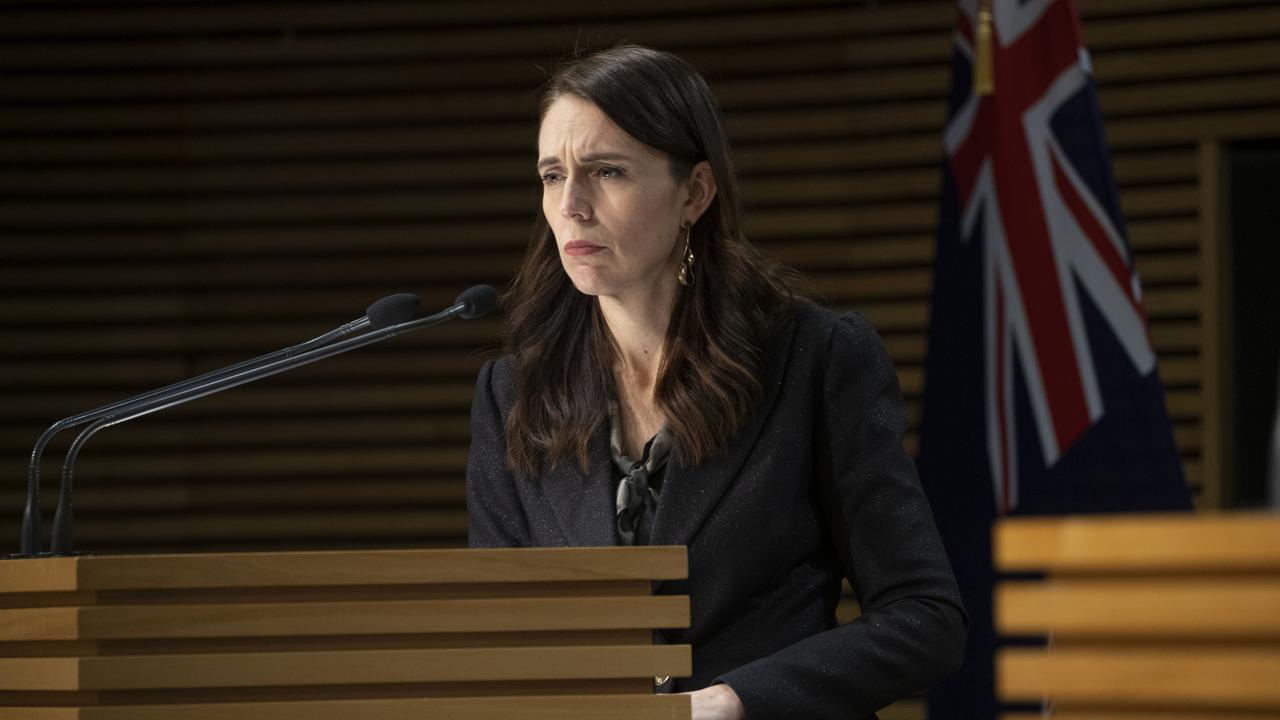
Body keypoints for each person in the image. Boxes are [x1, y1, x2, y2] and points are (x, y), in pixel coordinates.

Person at [466, 44, 966, 720]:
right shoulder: (512, 393)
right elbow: (505, 645)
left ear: (694, 193)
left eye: (606, 171)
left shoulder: (815, 359)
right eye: (553, 175)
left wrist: (738, 701)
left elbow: (926, 619)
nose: (571, 206)